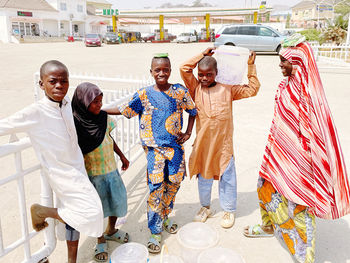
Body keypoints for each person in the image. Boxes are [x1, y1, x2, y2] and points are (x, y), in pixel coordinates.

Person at [243, 35, 350, 263]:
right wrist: (273, 149)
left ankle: (305, 257)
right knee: (265, 188)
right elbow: (279, 121)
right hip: (278, 152)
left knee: (299, 205)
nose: (280, 64)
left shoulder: (309, 95)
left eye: (284, 60)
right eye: (280, 59)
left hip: (300, 160)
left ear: (298, 62)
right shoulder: (285, 85)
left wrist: (305, 165)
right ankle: (269, 226)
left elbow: (317, 135)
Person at [0, 61, 104, 263]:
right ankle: (42, 211)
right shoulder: (35, 112)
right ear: (41, 84)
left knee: (77, 217)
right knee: (92, 212)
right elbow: (5, 125)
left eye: (63, 81)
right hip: (61, 173)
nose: (59, 86)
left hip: (78, 167)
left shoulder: (65, 105)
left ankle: (71, 260)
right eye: (52, 81)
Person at [105, 53, 197, 253]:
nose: (161, 73)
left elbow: (193, 111)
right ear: (151, 72)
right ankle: (155, 231)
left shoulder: (180, 91)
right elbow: (124, 109)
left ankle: (164, 216)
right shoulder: (143, 95)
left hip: (175, 150)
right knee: (156, 189)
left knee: (173, 183)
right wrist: (99, 110)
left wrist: (188, 132)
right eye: (158, 70)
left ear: (170, 71)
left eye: (165, 69)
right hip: (154, 151)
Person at [180, 47, 260, 228]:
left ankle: (229, 210)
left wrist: (251, 66)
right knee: (204, 176)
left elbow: (253, 89)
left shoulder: (228, 89)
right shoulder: (195, 88)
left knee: (228, 177)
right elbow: (184, 68)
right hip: (203, 144)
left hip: (224, 145)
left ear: (217, 73)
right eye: (201, 74)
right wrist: (202, 54)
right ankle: (205, 207)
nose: (204, 78)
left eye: (209, 75)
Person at [71, 82, 130, 262]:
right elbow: (76, 151)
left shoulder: (103, 118)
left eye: (100, 101)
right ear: (82, 103)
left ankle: (111, 229)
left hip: (111, 171)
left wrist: (122, 156)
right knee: (97, 209)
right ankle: (100, 239)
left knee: (116, 201)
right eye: (94, 102)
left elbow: (109, 138)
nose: (99, 105)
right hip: (93, 176)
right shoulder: (76, 124)